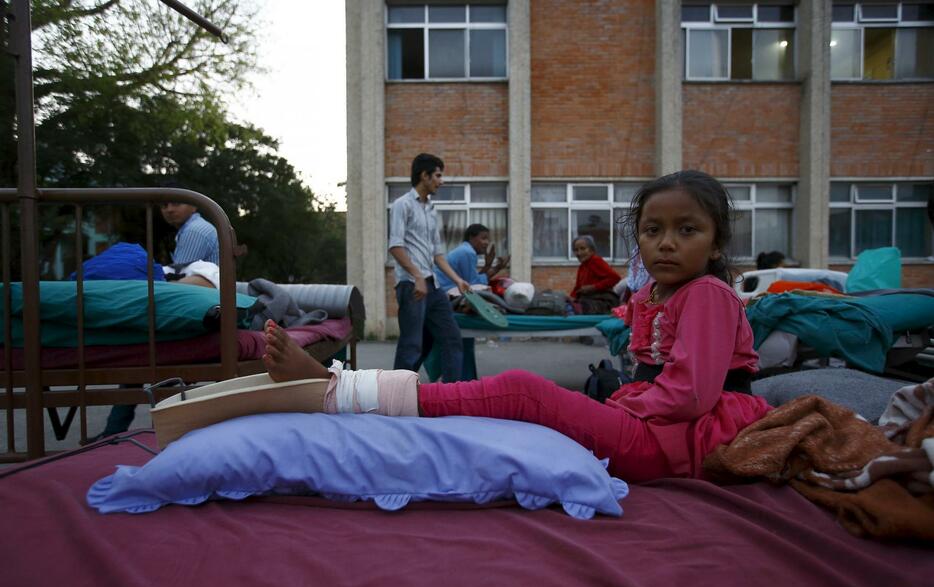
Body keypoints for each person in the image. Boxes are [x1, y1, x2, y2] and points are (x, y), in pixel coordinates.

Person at [257, 169, 773, 483]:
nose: (666, 243)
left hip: (681, 443)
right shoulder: (656, 294)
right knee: (521, 406)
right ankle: (349, 393)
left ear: (717, 243)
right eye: (653, 230)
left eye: (688, 230)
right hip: (661, 431)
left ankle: (336, 389)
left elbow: (688, 396)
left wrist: (617, 404)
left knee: (525, 393)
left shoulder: (707, 294)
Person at [88, 197, 220, 442]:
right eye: (164, 205)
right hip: (200, 308)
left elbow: (178, 281)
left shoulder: (195, 231)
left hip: (197, 311)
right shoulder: (193, 229)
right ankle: (118, 432)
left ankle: (145, 434)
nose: (169, 209)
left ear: (193, 204)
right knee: (140, 359)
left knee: (147, 357)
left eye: (176, 203)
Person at [389, 153, 469, 382]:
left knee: (452, 337)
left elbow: (438, 254)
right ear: (424, 176)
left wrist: (457, 280)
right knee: (412, 344)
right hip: (411, 285)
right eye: (438, 175)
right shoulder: (402, 205)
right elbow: (395, 246)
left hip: (432, 286)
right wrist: (417, 276)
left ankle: (452, 394)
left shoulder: (432, 211)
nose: (441, 181)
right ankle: (393, 395)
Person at [434, 223, 510, 295]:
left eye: (488, 240)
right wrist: (497, 268)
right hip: (442, 292)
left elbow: (472, 279)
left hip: (441, 290)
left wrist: (488, 265)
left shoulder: (465, 249)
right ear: (471, 238)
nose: (487, 242)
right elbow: (474, 283)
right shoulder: (468, 252)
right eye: (483, 238)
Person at [570, 235, 622, 314]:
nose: (579, 253)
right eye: (576, 250)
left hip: (602, 301)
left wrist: (593, 287)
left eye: (583, 249)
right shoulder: (582, 266)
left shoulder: (595, 261)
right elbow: (578, 288)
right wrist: (570, 298)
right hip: (587, 300)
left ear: (591, 250)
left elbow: (615, 278)